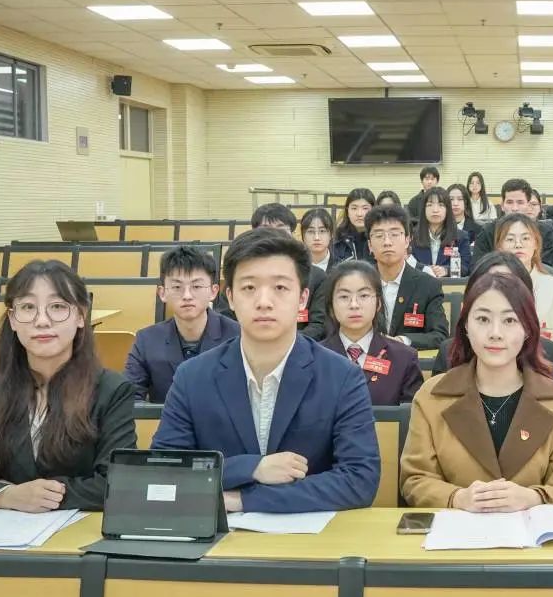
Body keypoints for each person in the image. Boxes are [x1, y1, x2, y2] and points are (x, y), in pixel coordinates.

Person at [153, 228, 380, 513]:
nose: (264, 301)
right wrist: (251, 467)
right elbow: (164, 470)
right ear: (230, 297)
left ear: (302, 298)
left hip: (310, 534)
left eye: (280, 288)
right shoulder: (192, 377)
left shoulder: (342, 376)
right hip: (218, 537)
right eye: (249, 288)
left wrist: (244, 500)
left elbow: (360, 480)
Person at [0, 261, 137, 513]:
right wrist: (4, 496)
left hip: (73, 536)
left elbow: (120, 485)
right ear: (12, 319)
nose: (42, 321)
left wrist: (39, 496)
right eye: (28, 307)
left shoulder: (111, 390)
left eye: (58, 306)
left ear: (81, 316)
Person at [401, 270, 553, 510]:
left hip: (530, 531)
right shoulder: (432, 396)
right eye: (483, 319)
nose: (495, 333)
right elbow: (415, 480)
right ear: (466, 326)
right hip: (456, 529)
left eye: (509, 321)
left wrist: (532, 498)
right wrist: (458, 498)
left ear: (528, 329)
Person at [432, 252, 553, 391]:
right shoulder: (448, 353)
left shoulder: (549, 353)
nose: (495, 333)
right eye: (487, 283)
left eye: (509, 286)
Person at [126, 246, 240, 403]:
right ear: (162, 293)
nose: (187, 296)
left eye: (196, 286)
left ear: (213, 291)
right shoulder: (146, 340)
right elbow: (129, 398)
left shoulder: (237, 336)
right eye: (177, 287)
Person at [320, 261, 424, 406]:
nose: (354, 305)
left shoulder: (404, 358)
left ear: (378, 303)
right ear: (331, 307)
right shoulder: (314, 358)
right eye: (344, 297)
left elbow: (410, 415)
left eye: (363, 295)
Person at [216, 203, 326, 336]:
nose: (273, 235)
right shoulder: (240, 273)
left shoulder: (317, 276)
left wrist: (281, 341)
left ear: (292, 234)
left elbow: (319, 325)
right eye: (265, 229)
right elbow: (224, 320)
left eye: (280, 229)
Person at [362, 204, 448, 349]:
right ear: (370, 245)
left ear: (407, 240)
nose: (387, 242)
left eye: (394, 234)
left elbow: (439, 336)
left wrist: (402, 341)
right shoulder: (359, 283)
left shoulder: (428, 285)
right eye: (379, 235)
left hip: (409, 360)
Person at [497, 213, 553, 351]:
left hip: (545, 361)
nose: (518, 245)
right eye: (510, 239)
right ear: (499, 247)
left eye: (525, 238)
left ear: (536, 244)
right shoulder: (488, 286)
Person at [408, 187, 471, 278]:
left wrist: (446, 270)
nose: (435, 210)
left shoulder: (460, 237)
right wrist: (425, 269)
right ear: (423, 209)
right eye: (430, 205)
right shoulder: (412, 237)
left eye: (441, 205)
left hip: (448, 285)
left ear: (447, 209)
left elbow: (466, 267)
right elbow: (406, 264)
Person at [471, 178, 535, 263]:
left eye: (520, 202)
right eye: (509, 202)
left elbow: (546, 266)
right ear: (502, 205)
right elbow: (478, 265)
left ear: (529, 205)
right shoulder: (488, 232)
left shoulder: (542, 232)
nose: (514, 208)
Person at [332, 188, 375, 264]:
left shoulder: (380, 238)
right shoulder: (338, 240)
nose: (359, 214)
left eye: (365, 208)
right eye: (354, 208)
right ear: (347, 211)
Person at [301, 208, 335, 272]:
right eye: (311, 231)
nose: (316, 237)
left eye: (322, 231)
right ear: (303, 236)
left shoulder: (341, 266)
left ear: (331, 235)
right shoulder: (295, 266)